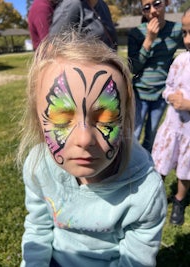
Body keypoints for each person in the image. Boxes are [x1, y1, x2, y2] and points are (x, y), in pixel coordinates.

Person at [18, 30, 167, 267]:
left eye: (106, 117)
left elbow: (135, 261)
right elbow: (38, 228)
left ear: (125, 119)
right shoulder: (38, 167)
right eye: (61, 117)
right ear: (38, 120)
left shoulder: (144, 192)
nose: (85, 139)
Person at [128, 0, 183, 152]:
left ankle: (146, 165)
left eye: (157, 4)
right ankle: (129, 166)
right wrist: (149, 39)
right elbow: (133, 67)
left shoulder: (177, 30)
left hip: (160, 94)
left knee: (151, 134)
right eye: (147, 7)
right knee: (134, 133)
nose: (152, 10)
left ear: (166, 3)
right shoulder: (136, 33)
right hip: (139, 93)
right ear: (143, 11)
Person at [152, 8, 190, 226]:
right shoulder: (180, 61)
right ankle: (155, 197)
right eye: (185, 33)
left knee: (186, 169)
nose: (187, 39)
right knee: (161, 162)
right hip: (172, 126)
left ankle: (179, 200)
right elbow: (167, 87)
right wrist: (171, 96)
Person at [49, 0, 117, 50]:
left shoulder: (103, 6)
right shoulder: (72, 4)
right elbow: (54, 46)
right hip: (82, 66)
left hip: (106, 65)